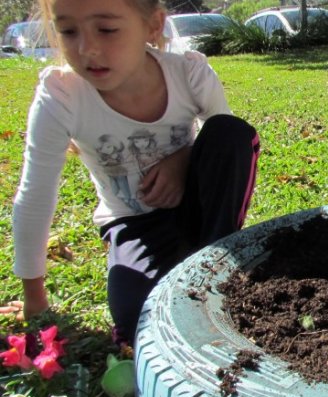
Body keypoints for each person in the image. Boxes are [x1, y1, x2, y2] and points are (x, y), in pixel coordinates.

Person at [5, 0, 260, 345]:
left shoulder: (188, 73)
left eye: (107, 29)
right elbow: (35, 195)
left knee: (231, 131)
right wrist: (35, 298)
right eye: (68, 31)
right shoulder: (61, 96)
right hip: (132, 223)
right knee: (136, 323)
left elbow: (226, 148)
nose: (87, 48)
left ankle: (218, 261)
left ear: (153, 25)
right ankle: (187, 267)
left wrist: (183, 158)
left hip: (199, 211)